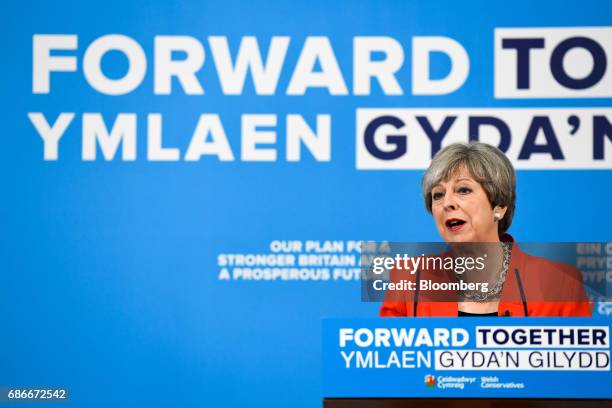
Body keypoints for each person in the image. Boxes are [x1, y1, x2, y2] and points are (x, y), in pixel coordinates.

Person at [379, 142, 591, 317]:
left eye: (463, 190)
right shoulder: (409, 280)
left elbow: (575, 366)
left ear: (499, 206)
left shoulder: (560, 283)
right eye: (438, 195)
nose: (447, 203)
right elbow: (389, 365)